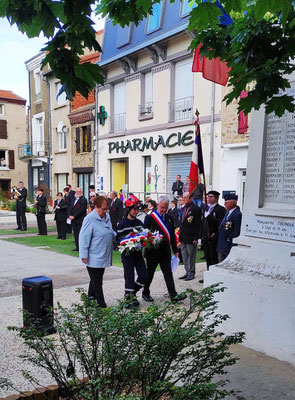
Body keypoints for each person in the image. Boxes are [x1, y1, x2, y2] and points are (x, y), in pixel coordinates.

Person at [142, 196, 187, 303]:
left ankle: (173, 295)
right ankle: (145, 292)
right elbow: (145, 234)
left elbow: (171, 235)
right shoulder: (150, 217)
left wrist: (175, 250)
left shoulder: (169, 218)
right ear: (157, 205)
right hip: (152, 252)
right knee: (150, 273)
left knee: (168, 273)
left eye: (165, 208)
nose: (163, 210)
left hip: (165, 252)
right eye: (162, 207)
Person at [79, 196, 115, 308]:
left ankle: (90, 298)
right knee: (97, 281)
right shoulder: (89, 219)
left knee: (96, 279)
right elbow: (84, 238)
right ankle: (101, 303)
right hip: (93, 255)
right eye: (102, 209)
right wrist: (84, 255)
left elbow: (109, 230)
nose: (105, 212)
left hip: (104, 254)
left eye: (106, 209)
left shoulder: (107, 216)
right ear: (96, 207)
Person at [116, 197, 148, 309]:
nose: (136, 211)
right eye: (134, 209)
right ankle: (129, 301)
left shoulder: (139, 223)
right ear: (128, 209)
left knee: (144, 276)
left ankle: (131, 294)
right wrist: (127, 242)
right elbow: (118, 239)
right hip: (127, 255)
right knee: (129, 277)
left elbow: (144, 235)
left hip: (138, 254)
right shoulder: (123, 224)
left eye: (137, 209)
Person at [199, 190, 226, 283]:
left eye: (211, 197)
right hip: (205, 237)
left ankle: (214, 276)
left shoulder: (220, 209)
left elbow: (219, 224)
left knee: (213, 257)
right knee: (207, 257)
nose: (209, 199)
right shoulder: (206, 208)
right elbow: (202, 223)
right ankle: (208, 274)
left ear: (217, 198)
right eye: (208, 197)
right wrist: (200, 236)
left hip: (213, 237)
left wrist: (210, 216)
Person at [178, 192, 202, 281]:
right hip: (183, 236)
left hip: (191, 237)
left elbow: (198, 224)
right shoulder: (184, 208)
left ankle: (191, 273)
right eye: (183, 197)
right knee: (184, 256)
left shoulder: (196, 209)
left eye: (186, 197)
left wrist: (196, 238)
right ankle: (187, 271)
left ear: (191, 198)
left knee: (191, 256)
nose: (184, 199)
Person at [216, 194, 242, 263]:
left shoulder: (237, 214)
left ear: (233, 203)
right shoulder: (228, 212)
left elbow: (237, 231)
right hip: (222, 244)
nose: (224, 204)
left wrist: (232, 244)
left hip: (228, 244)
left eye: (226, 203)